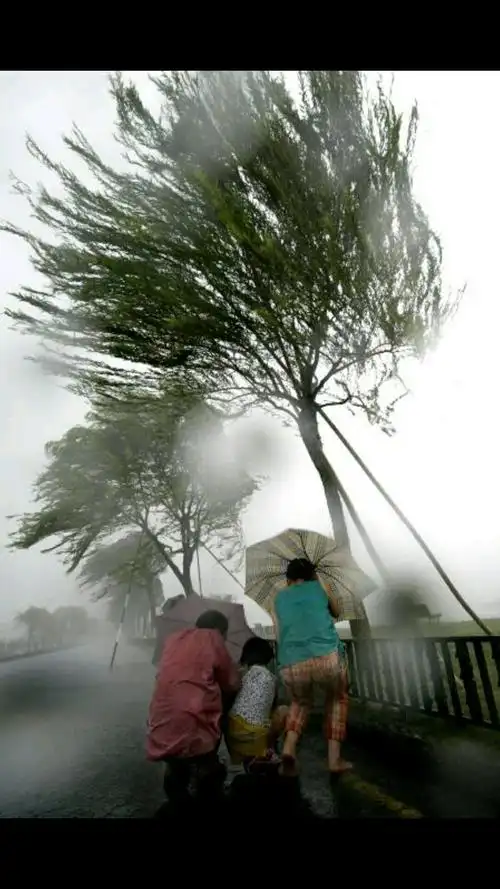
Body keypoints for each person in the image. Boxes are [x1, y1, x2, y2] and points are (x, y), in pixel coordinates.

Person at [146, 609, 241, 805]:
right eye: (225, 634)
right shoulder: (213, 638)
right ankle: (208, 766)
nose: (223, 638)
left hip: (160, 721)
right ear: (218, 629)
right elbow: (231, 684)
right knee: (224, 698)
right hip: (193, 726)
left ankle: (178, 777)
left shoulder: (173, 639)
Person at [270, 557, 351, 780]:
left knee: (300, 702)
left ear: (288, 578)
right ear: (312, 574)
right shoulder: (320, 586)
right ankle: (334, 760)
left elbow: (278, 635)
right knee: (336, 699)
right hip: (326, 658)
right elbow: (337, 611)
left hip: (291, 662)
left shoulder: (278, 598)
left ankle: (288, 748)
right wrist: (321, 583)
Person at [226, 637, 288, 770]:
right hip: (255, 736)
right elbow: (271, 709)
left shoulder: (241, 674)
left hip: (234, 734)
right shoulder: (271, 678)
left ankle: (243, 757)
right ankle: (266, 752)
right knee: (283, 711)